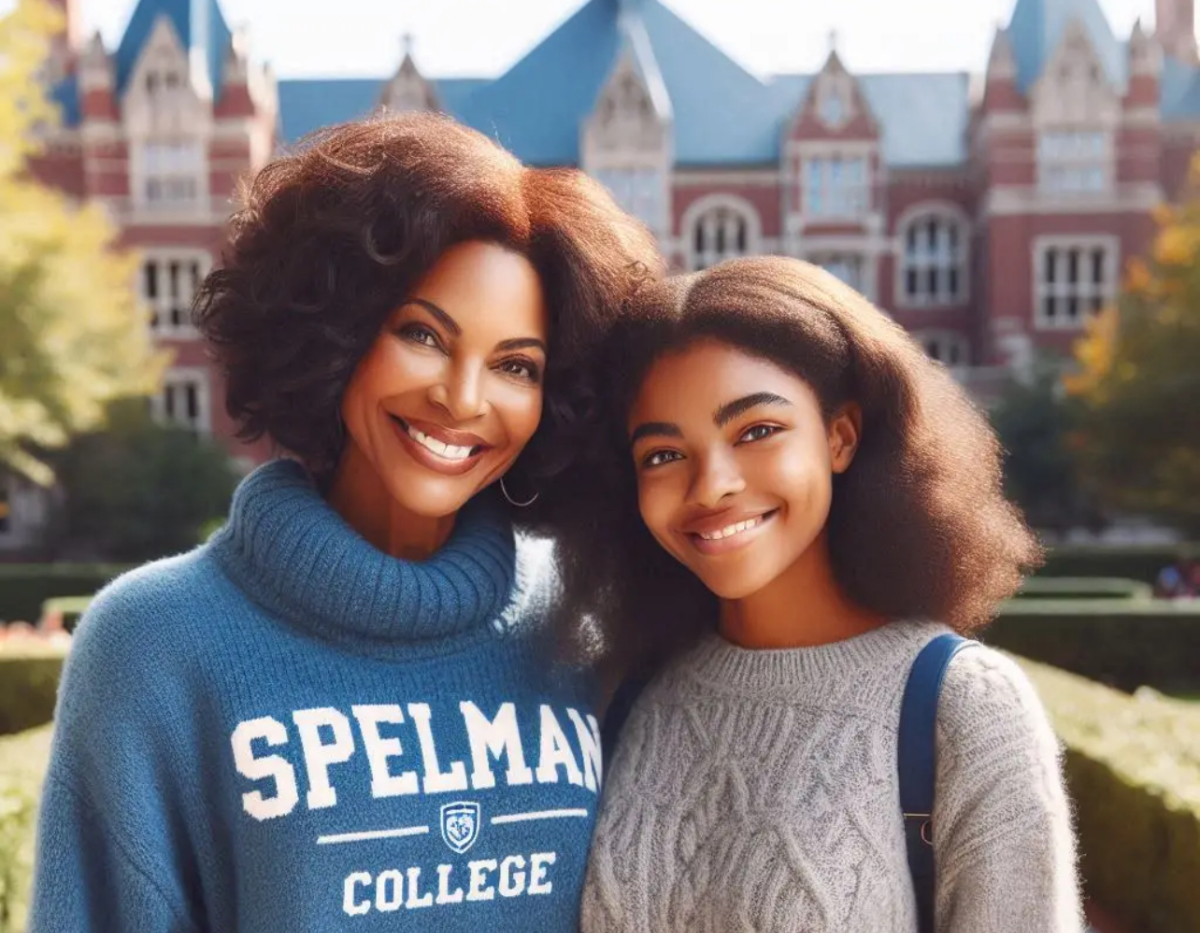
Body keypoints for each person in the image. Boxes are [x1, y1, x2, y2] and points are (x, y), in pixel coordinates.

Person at [30, 113, 660, 933]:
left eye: (515, 365)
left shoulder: (583, 620)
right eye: (423, 334)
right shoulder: (155, 641)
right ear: (337, 334)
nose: (464, 399)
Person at [560, 257, 1083, 932]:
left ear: (840, 436)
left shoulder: (961, 708)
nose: (711, 484)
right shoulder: (620, 688)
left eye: (755, 431)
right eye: (663, 454)